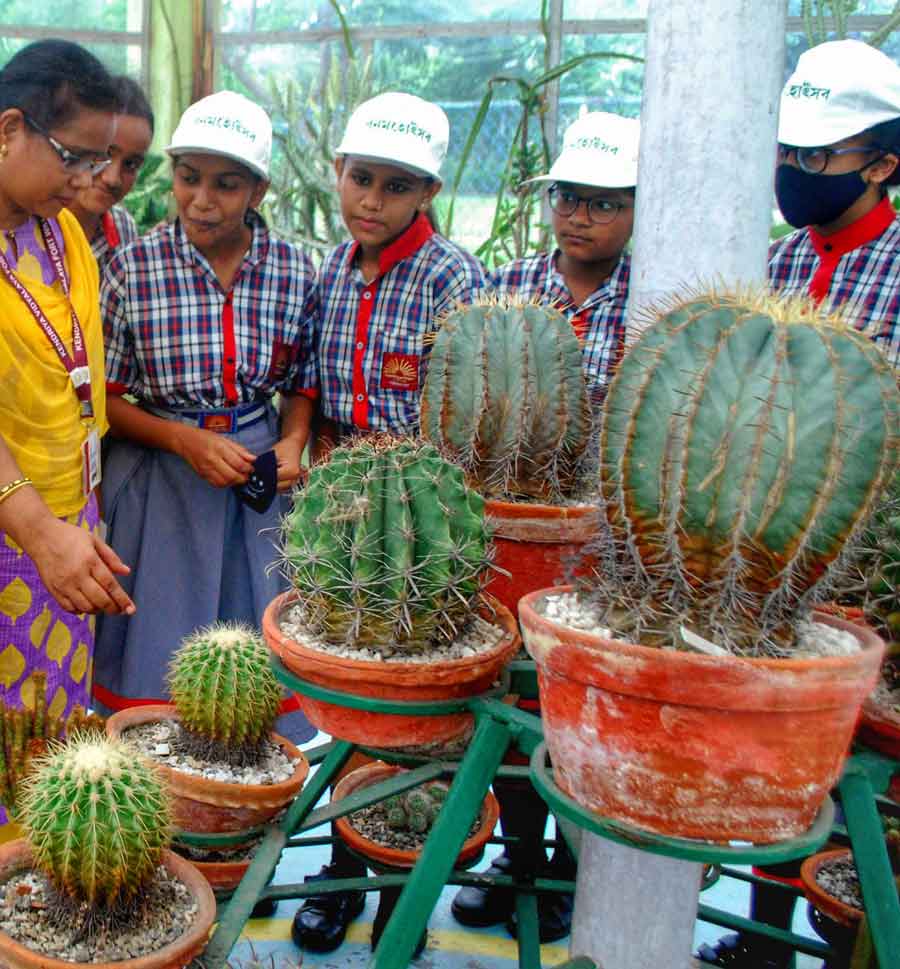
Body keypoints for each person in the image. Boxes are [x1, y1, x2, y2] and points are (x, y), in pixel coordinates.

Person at [699, 38, 900, 969]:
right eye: (787, 155)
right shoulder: (782, 265)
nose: (795, 173)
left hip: (872, 554)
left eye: (817, 160)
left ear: (883, 163)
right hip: (773, 552)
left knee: (857, 771)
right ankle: (765, 939)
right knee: (782, 753)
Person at [292, 91, 487, 956]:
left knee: (411, 716)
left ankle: (398, 889)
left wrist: (422, 502)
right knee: (346, 706)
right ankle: (338, 878)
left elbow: (470, 407)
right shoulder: (334, 268)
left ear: (428, 192)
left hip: (418, 519)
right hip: (341, 505)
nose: (371, 200)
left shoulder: (453, 276)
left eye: (396, 186)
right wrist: (303, 441)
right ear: (338, 173)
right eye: (359, 178)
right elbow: (305, 371)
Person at [450, 110, 639, 945]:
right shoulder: (508, 288)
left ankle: (573, 864)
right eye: (567, 197)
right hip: (511, 532)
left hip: (607, 545)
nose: (578, 216)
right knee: (516, 698)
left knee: (585, 708)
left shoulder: (650, 290)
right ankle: (520, 855)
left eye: (603, 202)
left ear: (636, 209)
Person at [92, 91, 318, 727]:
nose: (201, 199)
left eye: (226, 184)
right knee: (158, 627)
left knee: (254, 617)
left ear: (258, 191)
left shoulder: (294, 270)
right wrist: (182, 441)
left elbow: (302, 380)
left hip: (257, 472)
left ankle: (247, 787)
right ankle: (164, 782)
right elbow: (106, 401)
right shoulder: (132, 267)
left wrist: (292, 443)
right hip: (161, 478)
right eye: (188, 178)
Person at [0, 38, 135, 827]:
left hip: (64, 529)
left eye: (102, 160)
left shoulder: (61, 234)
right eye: (74, 158)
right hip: (24, 530)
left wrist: (68, 528)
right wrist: (42, 531)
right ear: (8, 128)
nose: (91, 182)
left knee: (47, 742)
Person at [68, 75, 153, 272]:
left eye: (130, 164)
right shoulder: (32, 221)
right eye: (103, 154)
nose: (111, 178)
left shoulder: (123, 227)